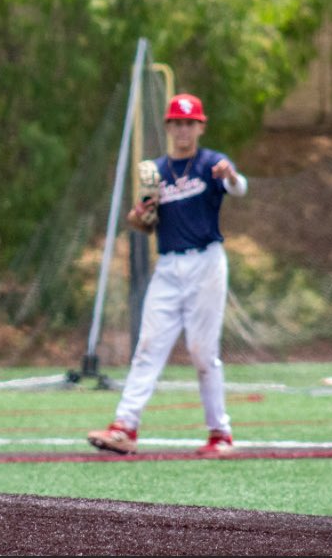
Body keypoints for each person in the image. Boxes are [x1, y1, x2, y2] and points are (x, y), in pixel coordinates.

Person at [87, 93, 247, 456]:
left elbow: (239, 189)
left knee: (202, 351)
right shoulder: (156, 171)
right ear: (168, 127)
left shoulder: (211, 163)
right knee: (147, 348)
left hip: (206, 262)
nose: (183, 129)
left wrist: (231, 174)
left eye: (190, 123)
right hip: (169, 265)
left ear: (200, 126)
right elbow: (144, 223)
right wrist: (137, 217)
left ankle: (220, 434)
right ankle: (125, 427)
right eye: (177, 123)